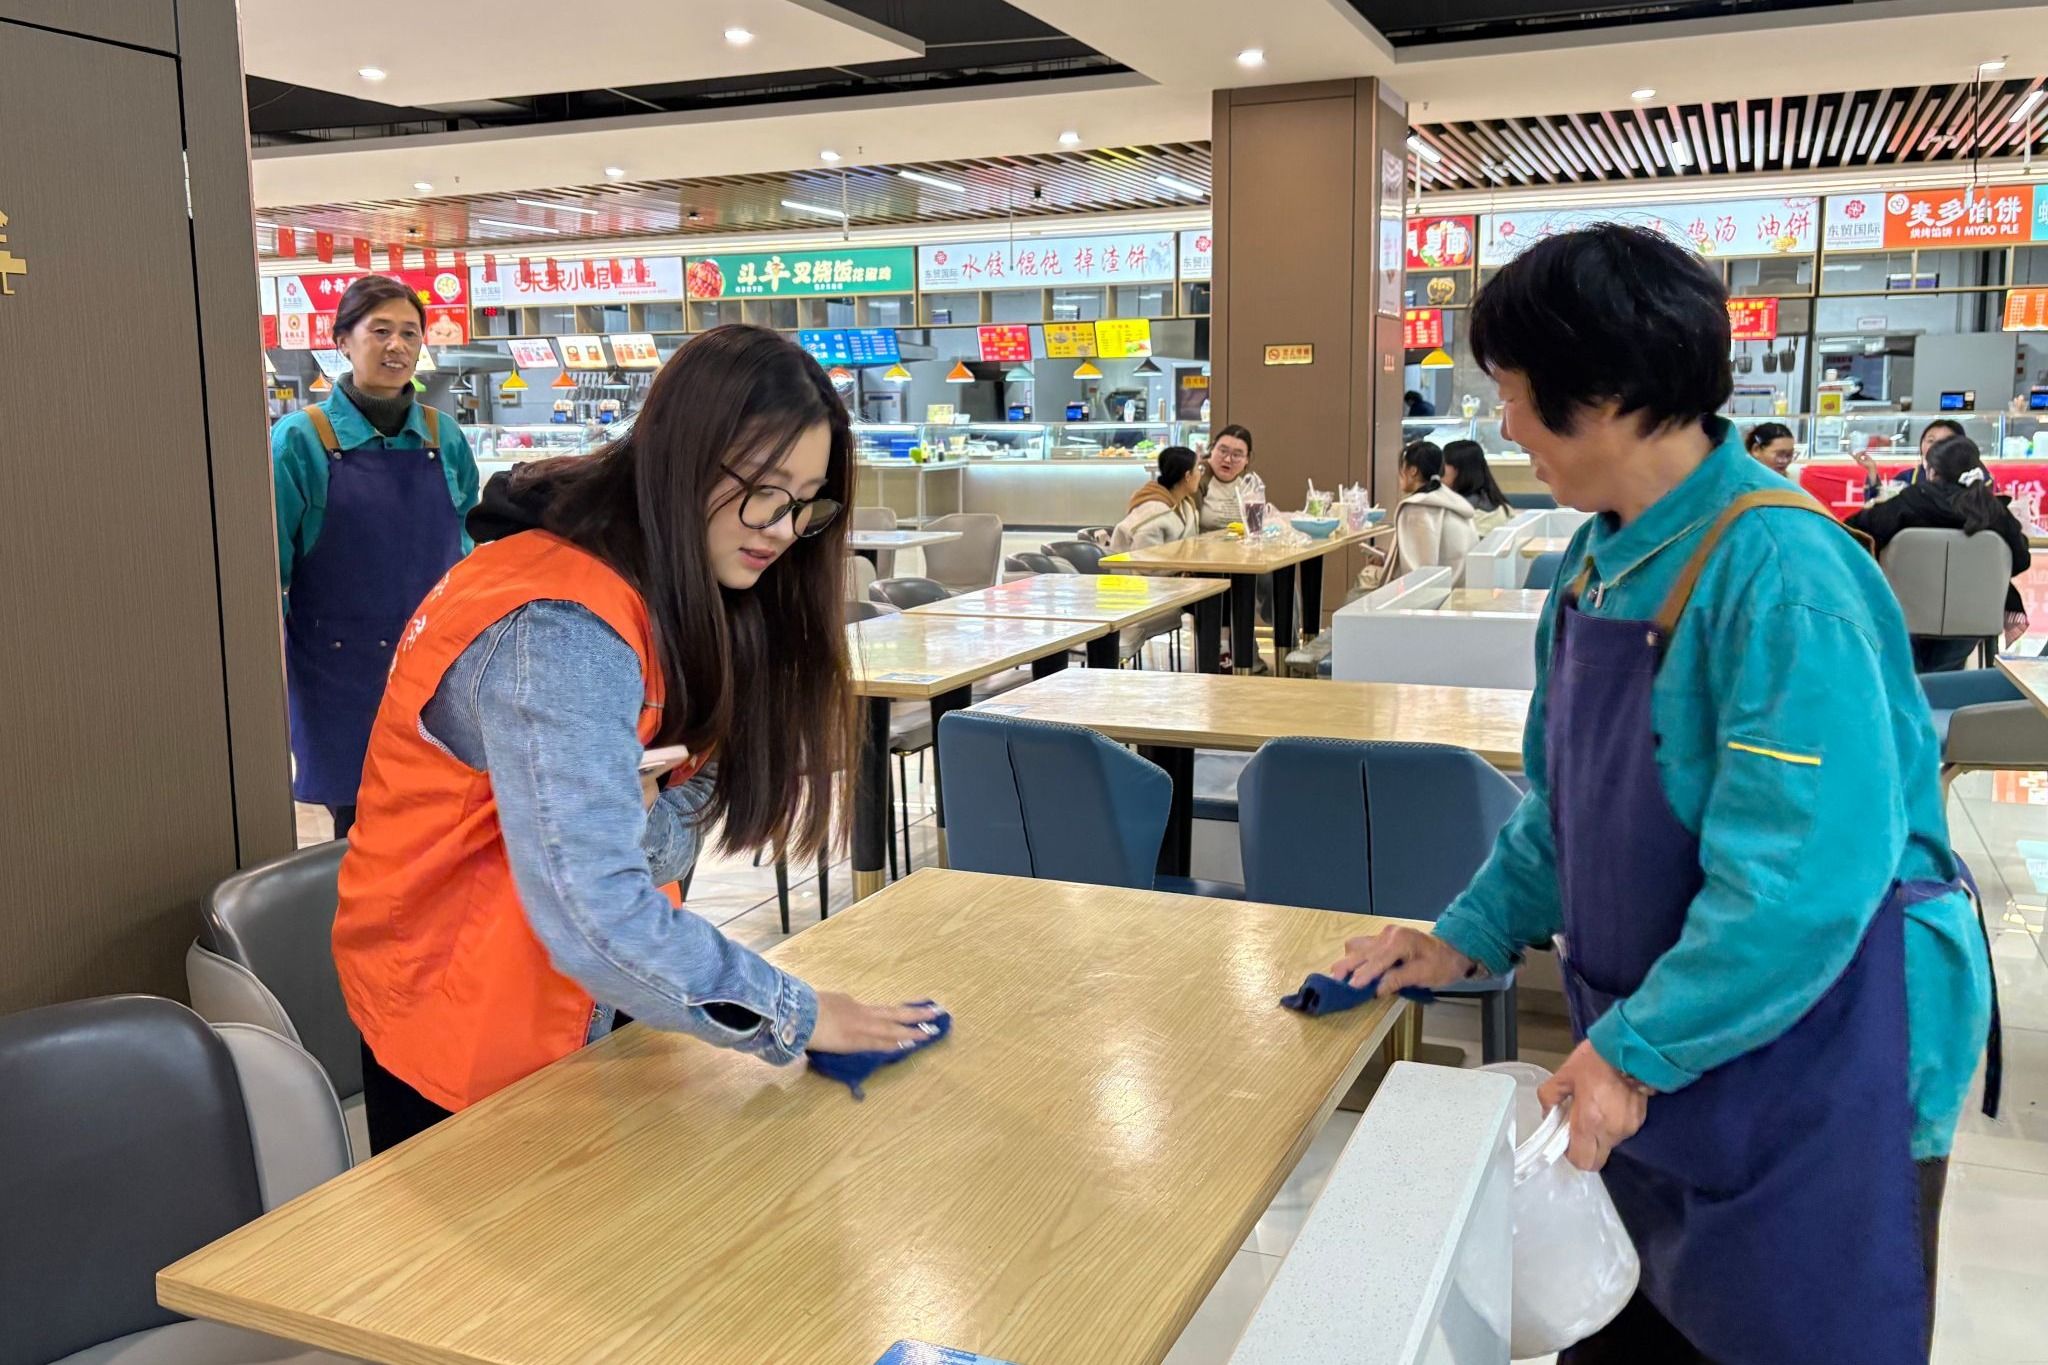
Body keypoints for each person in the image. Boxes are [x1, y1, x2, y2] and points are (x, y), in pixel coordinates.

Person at [1329, 224, 1993, 1364]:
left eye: (1514, 393)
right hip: (1665, 1030)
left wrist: (1636, 1052)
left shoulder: (1783, 578)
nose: (1503, 426)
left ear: (1605, 393)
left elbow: (1796, 886)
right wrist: (1460, 935)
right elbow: (1564, 808)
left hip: (1823, 1045)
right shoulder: (1598, 561)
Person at [330, 325, 937, 1153]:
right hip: (462, 1031)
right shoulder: (560, 628)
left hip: (590, 1018)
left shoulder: (683, 588)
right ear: (682, 457)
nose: (781, 527)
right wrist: (796, 1013)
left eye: (806, 502)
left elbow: (664, 835)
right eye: (763, 489)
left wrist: (634, 825)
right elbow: (596, 913)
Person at [272, 274, 480, 840]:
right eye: (380, 331)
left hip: (436, 667)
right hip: (340, 672)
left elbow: (470, 548)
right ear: (343, 340)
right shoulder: (301, 440)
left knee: (442, 823)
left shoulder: (443, 436)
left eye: (410, 333)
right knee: (360, 830)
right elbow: (272, 570)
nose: (397, 346)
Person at [1848, 434, 2032, 669]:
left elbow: (1855, 534)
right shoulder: (1994, 511)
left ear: (1932, 470)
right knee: (1948, 658)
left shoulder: (1909, 502)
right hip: (1972, 620)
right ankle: (1945, 681)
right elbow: (2021, 560)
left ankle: (1915, 682)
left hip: (1904, 617)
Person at [1385, 440, 1479, 578]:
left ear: (1413, 471)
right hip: (1463, 583)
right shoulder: (1451, 500)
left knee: (1365, 579)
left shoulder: (1416, 507)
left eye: (1402, 468)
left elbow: (1416, 572)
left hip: (1440, 587)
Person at [1109, 445, 1201, 553]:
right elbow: (1146, 560)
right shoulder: (1153, 512)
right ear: (1188, 476)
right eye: (1198, 469)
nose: (1200, 474)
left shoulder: (1185, 504)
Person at [1853, 416, 1965, 496]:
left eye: (1944, 441)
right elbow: (1880, 508)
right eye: (1930, 440)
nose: (1935, 446)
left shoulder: (1967, 479)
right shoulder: (1907, 478)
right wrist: (1872, 470)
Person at [1442, 438, 1513, 536]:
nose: (1439, 471)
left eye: (1443, 465)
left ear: (1459, 469)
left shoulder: (1459, 511)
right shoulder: (1499, 503)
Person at [1196, 424, 1255, 531]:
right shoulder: (1197, 476)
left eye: (1236, 455)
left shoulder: (1246, 484)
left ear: (1247, 459)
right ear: (1212, 448)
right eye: (1223, 451)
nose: (1228, 459)